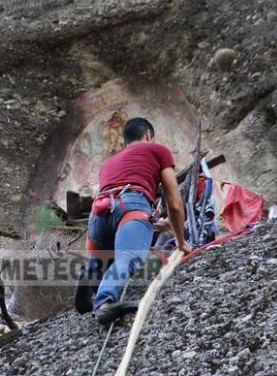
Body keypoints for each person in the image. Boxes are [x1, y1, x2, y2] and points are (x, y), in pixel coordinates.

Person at [75, 117, 192, 325]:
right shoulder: (158, 150)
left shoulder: (108, 163)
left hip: (99, 215)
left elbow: (118, 211)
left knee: (105, 261)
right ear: (148, 135)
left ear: (124, 142)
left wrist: (161, 223)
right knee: (127, 257)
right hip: (132, 206)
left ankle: (91, 272)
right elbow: (174, 203)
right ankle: (104, 304)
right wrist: (181, 242)